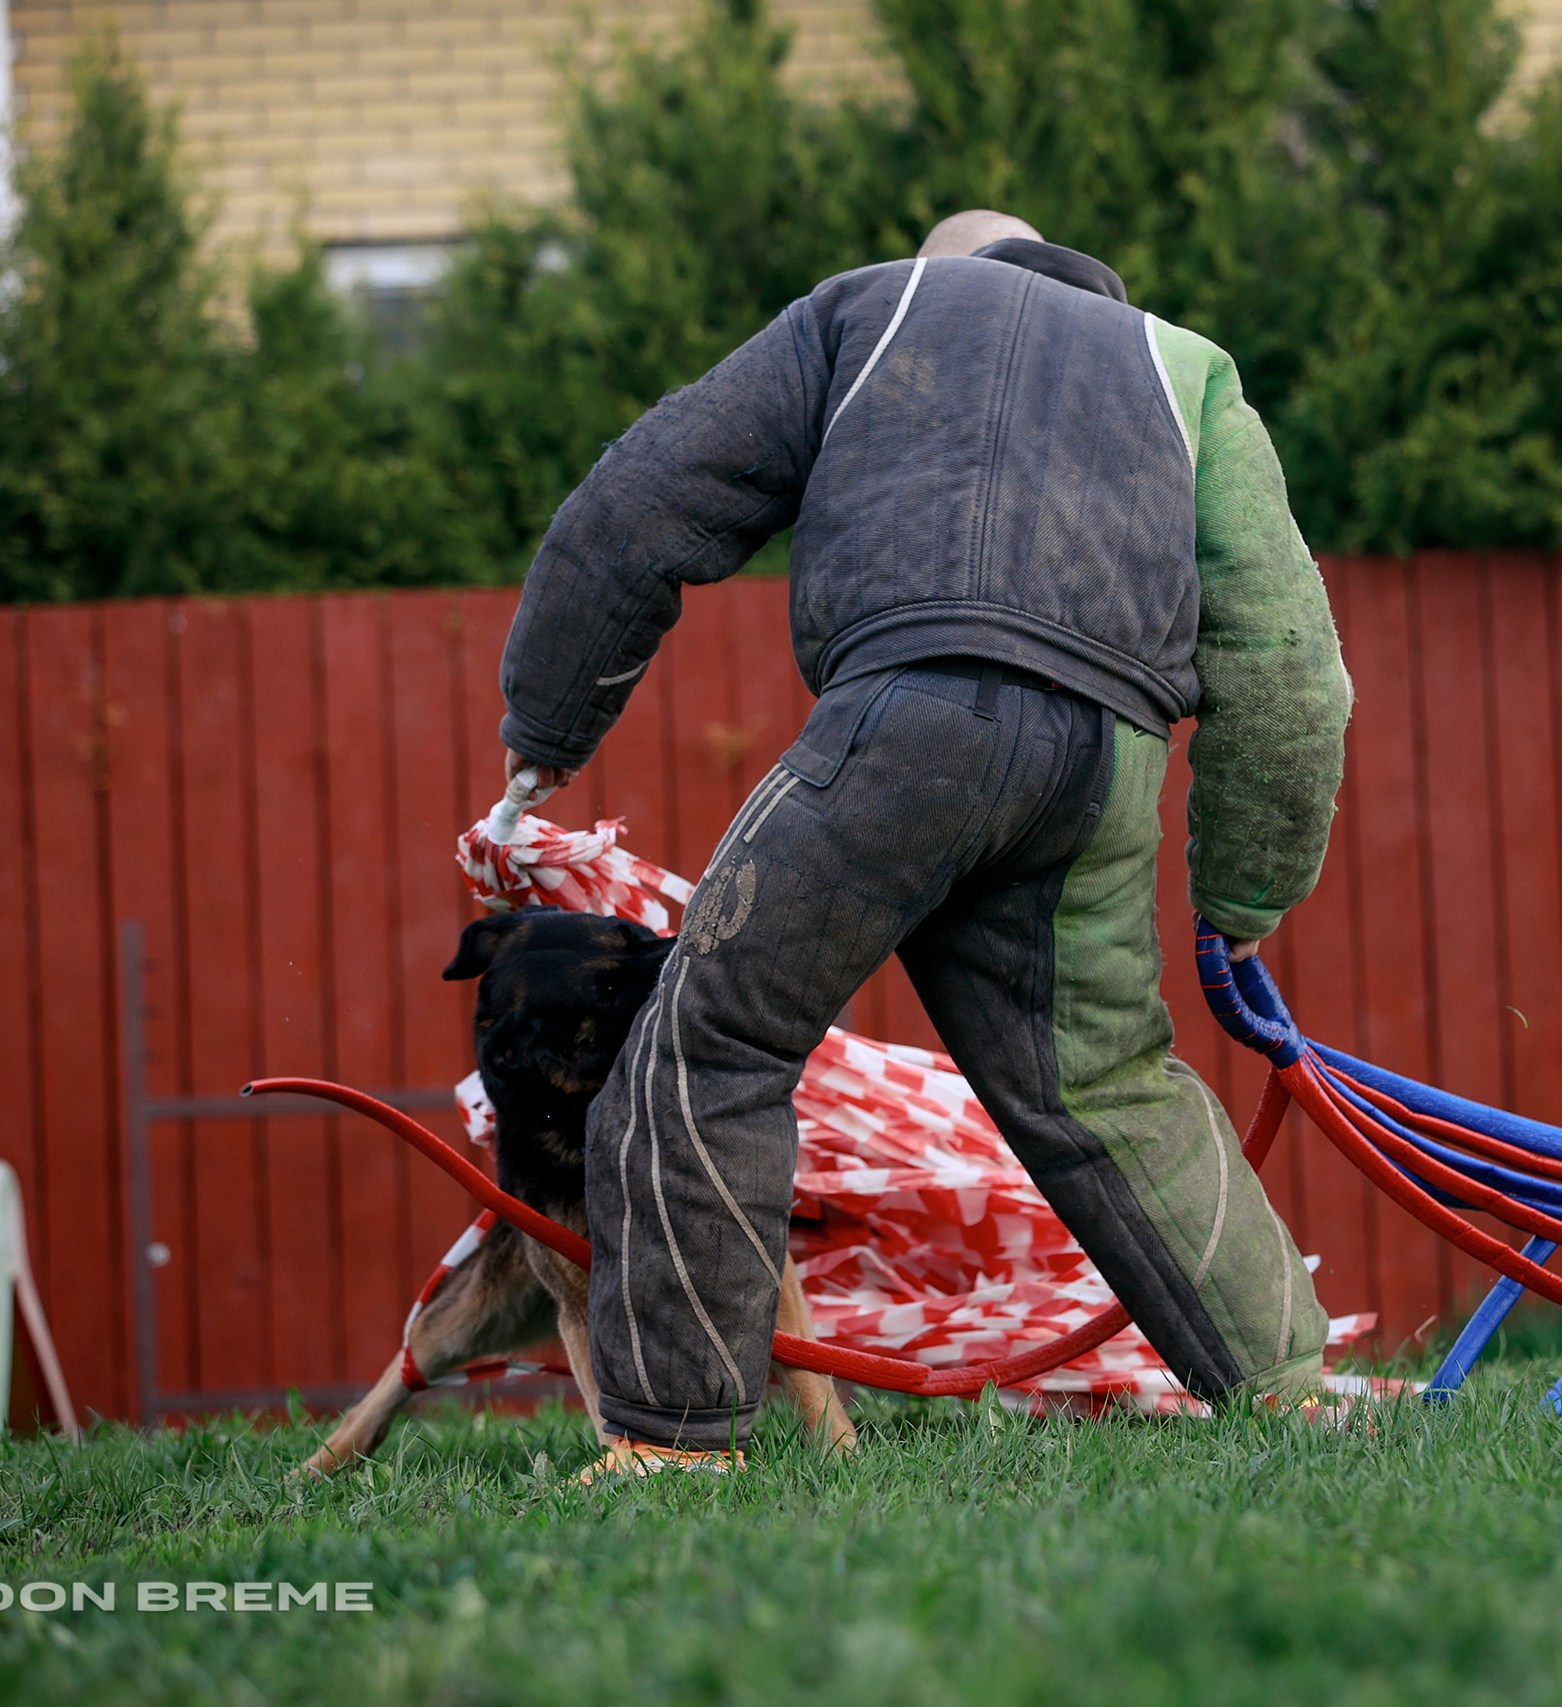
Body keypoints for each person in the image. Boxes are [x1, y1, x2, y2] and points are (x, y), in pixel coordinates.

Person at [496, 209, 1352, 1473]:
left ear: (942, 271)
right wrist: (1244, 889)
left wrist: (551, 715)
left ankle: (676, 1446)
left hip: (903, 726)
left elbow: (646, 495)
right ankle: (1286, 1396)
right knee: (1110, 1089)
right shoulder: (1188, 370)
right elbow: (1287, 659)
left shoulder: (872, 310)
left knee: (708, 1041)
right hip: (1101, 772)